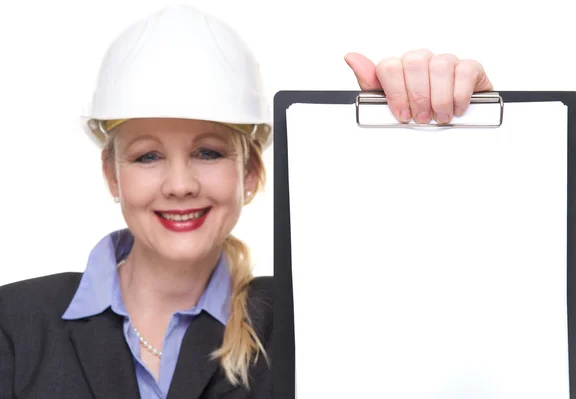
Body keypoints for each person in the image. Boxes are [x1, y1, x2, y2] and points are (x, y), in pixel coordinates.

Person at [0, 4, 493, 399]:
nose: (179, 184)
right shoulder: (14, 325)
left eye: (208, 152)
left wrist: (440, 138)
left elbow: (455, 341)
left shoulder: (315, 320)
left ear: (251, 173)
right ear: (112, 174)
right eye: (148, 156)